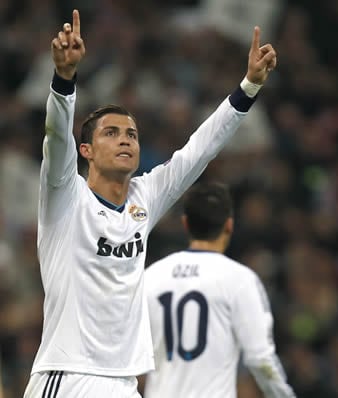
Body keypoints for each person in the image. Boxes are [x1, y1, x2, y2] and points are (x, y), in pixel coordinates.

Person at [23, 9, 277, 398]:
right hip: (68, 375)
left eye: (132, 134)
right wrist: (64, 80)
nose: (126, 140)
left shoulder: (145, 198)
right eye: (112, 133)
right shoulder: (64, 196)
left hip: (123, 381)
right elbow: (56, 138)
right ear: (86, 150)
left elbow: (199, 151)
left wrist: (247, 89)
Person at [141, 182, 295, 397]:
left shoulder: (151, 277)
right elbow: (261, 360)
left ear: (186, 224)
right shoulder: (240, 280)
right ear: (229, 225)